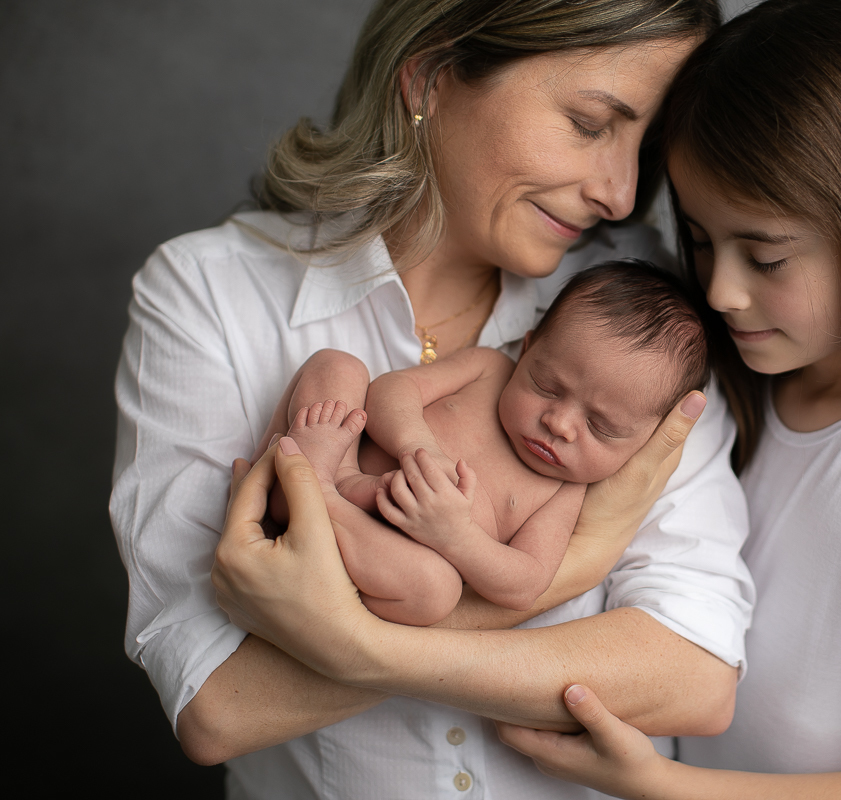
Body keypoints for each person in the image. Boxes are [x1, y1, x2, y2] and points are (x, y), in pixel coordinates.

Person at [110, 1, 755, 798]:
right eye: (590, 124)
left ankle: (320, 500)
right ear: (431, 75)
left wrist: (357, 643)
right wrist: (580, 562)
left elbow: (695, 674)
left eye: (645, 146)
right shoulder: (209, 293)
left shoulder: (642, 319)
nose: (621, 194)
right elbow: (219, 706)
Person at [496, 1, 841, 798]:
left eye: (767, 257)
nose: (719, 290)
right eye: (701, 239)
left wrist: (656, 783)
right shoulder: (721, 387)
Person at [266, 262, 709, 626]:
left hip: (377, 552)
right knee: (337, 366)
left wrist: (455, 537)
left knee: (436, 590)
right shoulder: (490, 368)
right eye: (547, 386)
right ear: (527, 349)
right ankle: (330, 482)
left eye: (601, 427)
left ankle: (317, 499)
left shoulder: (563, 492)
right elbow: (391, 390)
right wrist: (417, 445)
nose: (559, 424)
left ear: (645, 443)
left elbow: (526, 583)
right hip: (338, 460)